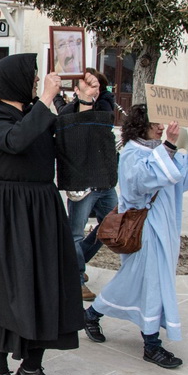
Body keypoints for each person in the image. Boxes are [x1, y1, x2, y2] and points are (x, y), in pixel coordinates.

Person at [0, 53, 83, 375]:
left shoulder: (37, 110)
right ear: (14, 80)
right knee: (6, 290)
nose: (36, 82)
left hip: (41, 206)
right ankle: (0, 373)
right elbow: (17, 140)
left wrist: (83, 102)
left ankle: (32, 368)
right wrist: (47, 100)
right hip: (6, 210)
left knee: (47, 285)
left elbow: (59, 138)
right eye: (31, 77)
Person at [83, 106, 188, 369]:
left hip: (164, 229)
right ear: (140, 125)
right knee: (151, 283)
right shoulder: (132, 153)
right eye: (155, 123)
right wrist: (169, 146)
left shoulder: (161, 149)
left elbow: (185, 174)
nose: (161, 127)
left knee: (134, 280)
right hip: (144, 229)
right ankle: (151, 344)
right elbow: (141, 184)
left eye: (162, 123)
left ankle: (92, 314)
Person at [59, 69, 119, 301]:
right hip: (81, 182)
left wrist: (93, 96)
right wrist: (82, 100)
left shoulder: (104, 104)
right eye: (87, 83)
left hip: (104, 180)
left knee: (112, 226)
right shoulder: (70, 109)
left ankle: (74, 262)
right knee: (75, 233)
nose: (92, 87)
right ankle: (76, 276)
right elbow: (64, 119)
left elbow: (101, 120)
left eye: (96, 84)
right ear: (77, 89)